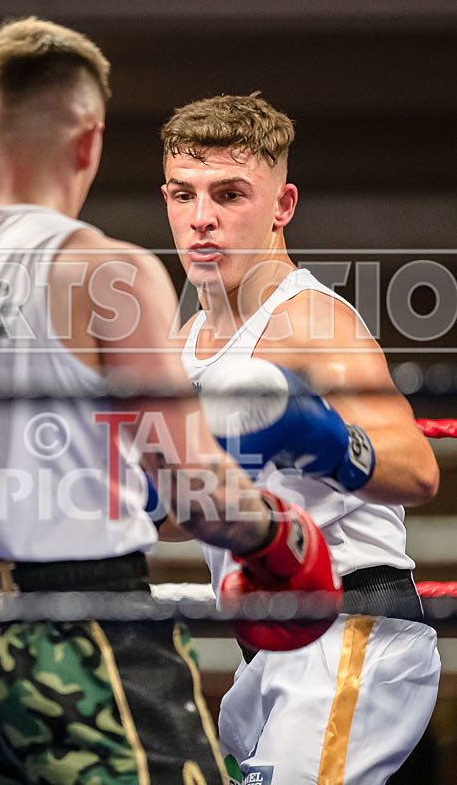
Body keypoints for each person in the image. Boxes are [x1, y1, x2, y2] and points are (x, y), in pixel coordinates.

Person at [0, 21, 340, 785]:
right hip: (86, 635)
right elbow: (194, 491)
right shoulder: (106, 271)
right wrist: (284, 535)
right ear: (89, 145)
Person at [160, 92, 441, 784]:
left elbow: (417, 467)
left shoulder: (310, 323)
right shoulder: (186, 344)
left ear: (282, 205)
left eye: (229, 194)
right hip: (268, 646)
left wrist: (315, 437)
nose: (202, 218)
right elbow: (173, 521)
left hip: (353, 630)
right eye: (183, 194)